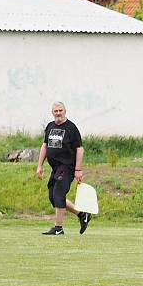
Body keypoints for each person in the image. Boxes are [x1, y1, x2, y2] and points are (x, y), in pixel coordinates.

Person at [35, 101, 91, 235]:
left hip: (67, 167)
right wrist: (40, 166)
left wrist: (78, 170)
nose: (58, 113)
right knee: (53, 197)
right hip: (55, 168)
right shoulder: (50, 126)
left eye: (61, 110)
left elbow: (79, 149)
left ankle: (58, 228)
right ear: (52, 112)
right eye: (56, 111)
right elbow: (44, 146)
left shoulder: (71, 128)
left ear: (65, 111)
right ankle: (83, 215)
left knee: (59, 194)